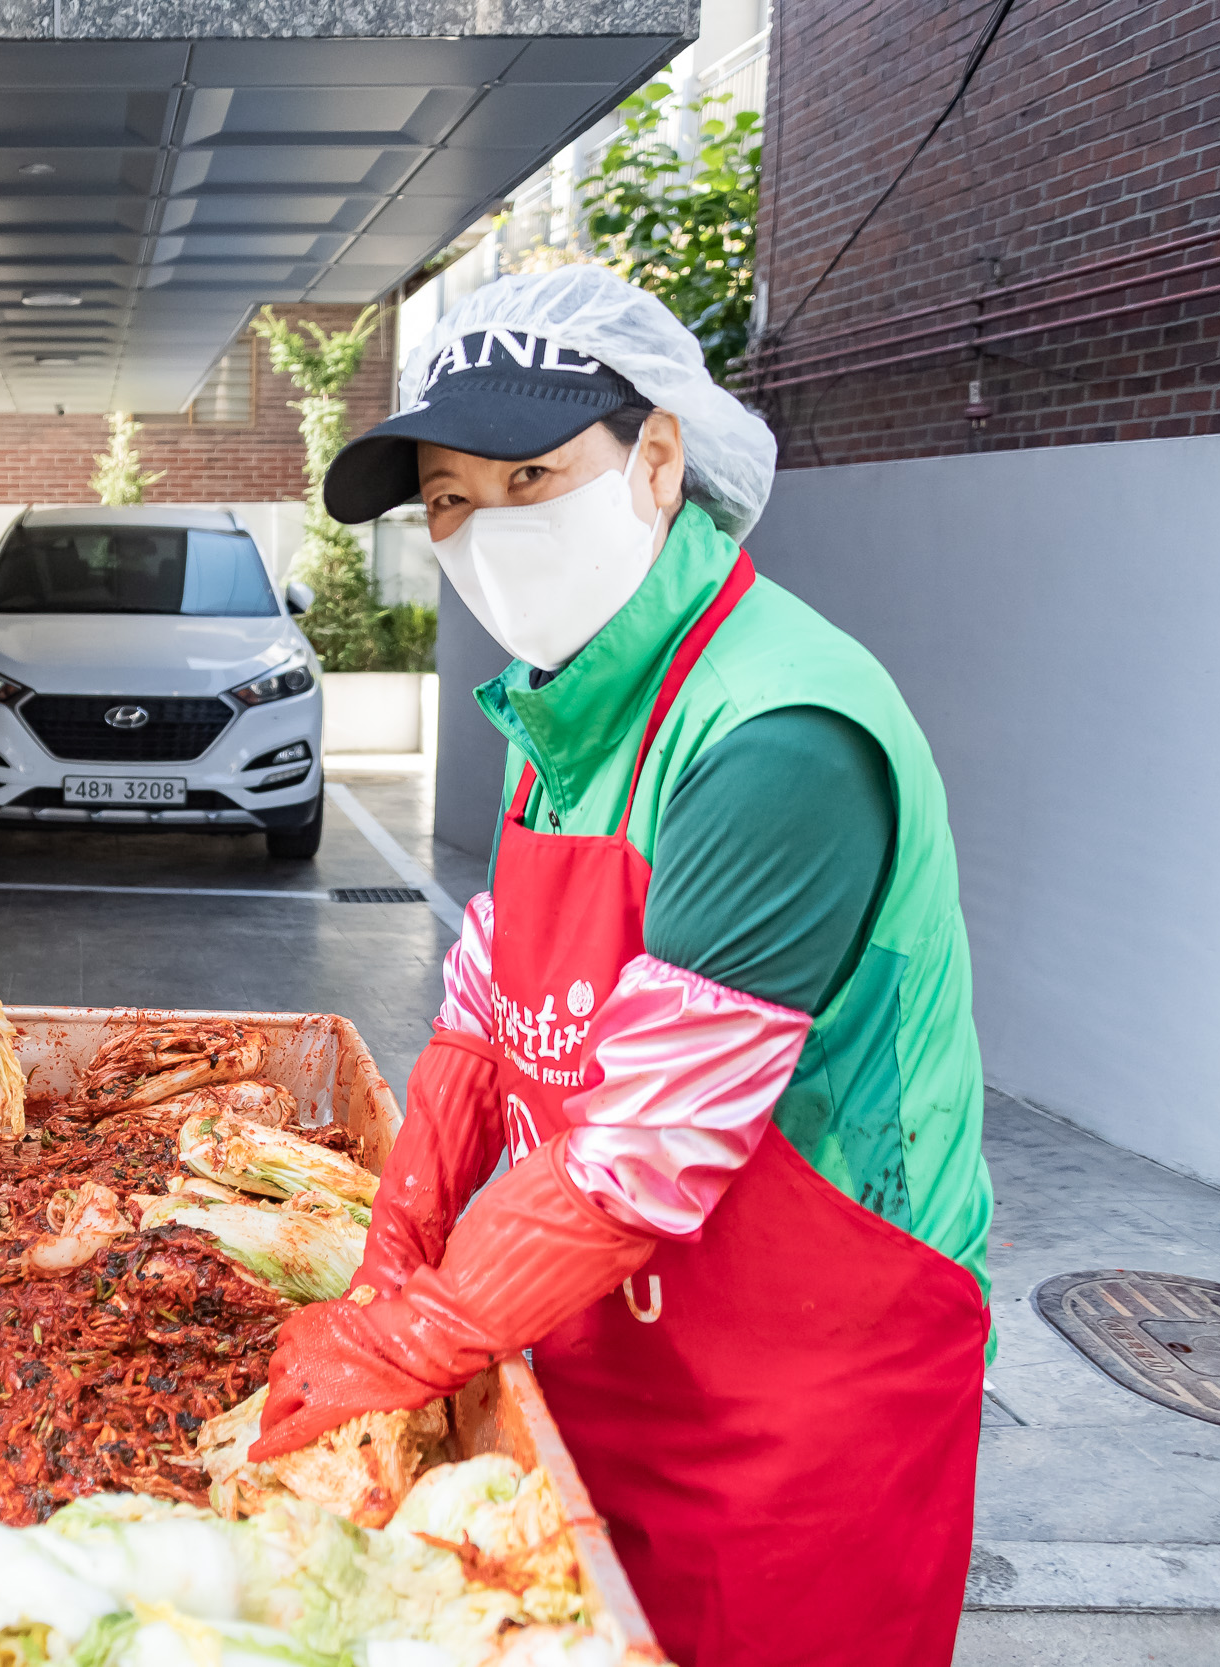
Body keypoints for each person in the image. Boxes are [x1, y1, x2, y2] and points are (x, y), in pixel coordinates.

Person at [251, 267, 993, 1667]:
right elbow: (487, 1012)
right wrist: (391, 1254)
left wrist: (410, 1338)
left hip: (798, 1403)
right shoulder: (573, 706)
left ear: (657, 460)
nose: (489, 528)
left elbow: (645, 1143)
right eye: (454, 498)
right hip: (605, 1336)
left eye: (532, 473)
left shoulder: (777, 731)